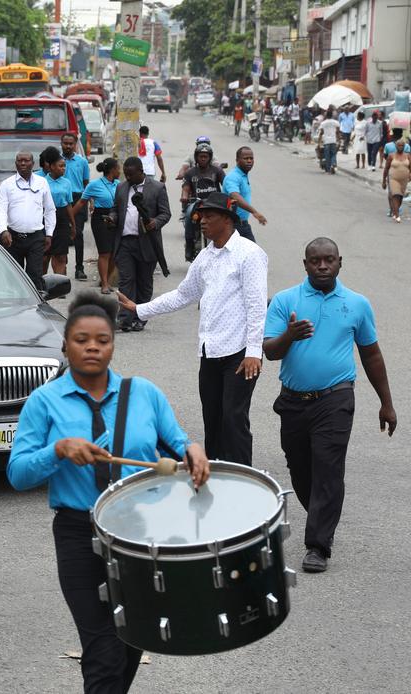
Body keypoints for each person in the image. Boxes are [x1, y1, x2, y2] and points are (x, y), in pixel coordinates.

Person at [8, 291, 210, 694]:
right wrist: (59, 449)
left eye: (102, 339)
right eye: (82, 339)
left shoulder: (144, 394)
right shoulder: (44, 402)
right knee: (102, 647)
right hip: (78, 535)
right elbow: (17, 473)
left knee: (131, 640)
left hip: (140, 536)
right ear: (65, 343)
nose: (92, 347)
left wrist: (194, 450)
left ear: (114, 344)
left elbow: (177, 442)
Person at [263, 237, 395, 573]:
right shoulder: (285, 300)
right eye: (315, 261)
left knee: (328, 468)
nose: (323, 266)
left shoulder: (357, 304)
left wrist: (386, 403)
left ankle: (318, 545)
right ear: (305, 264)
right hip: (293, 401)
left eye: (329, 260)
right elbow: (271, 351)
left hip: (336, 398)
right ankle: (322, 515)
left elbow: (371, 354)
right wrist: (289, 335)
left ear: (340, 262)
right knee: (301, 469)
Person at [118, 191, 267, 467]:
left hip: (240, 353)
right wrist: (139, 309)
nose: (201, 221)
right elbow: (182, 295)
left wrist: (254, 352)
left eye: (209, 216)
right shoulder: (206, 256)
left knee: (234, 420)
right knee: (212, 420)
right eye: (200, 215)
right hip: (210, 351)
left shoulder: (250, 255)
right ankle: (214, 479)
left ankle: (243, 484)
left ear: (227, 219)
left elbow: (257, 307)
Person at [108, 156, 170, 332]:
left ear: (141, 171)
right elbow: (115, 209)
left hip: (147, 243)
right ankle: (124, 319)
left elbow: (165, 213)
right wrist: (112, 218)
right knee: (126, 280)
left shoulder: (157, 188)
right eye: (125, 174)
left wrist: (155, 223)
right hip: (125, 242)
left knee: (144, 282)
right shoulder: (121, 187)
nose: (127, 178)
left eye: (130, 175)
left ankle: (140, 317)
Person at [0, 151, 56, 292]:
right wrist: (3, 230)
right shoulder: (7, 184)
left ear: (33, 164)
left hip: (36, 238)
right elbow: (0, 209)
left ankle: (36, 307)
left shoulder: (42, 183)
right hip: (13, 238)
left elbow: (50, 210)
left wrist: (49, 234)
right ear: (15, 163)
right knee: (14, 276)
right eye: (19, 161)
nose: (23, 163)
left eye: (26, 161)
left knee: (35, 275)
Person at [72, 157, 119, 294]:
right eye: (117, 168)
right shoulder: (94, 185)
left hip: (116, 217)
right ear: (111, 170)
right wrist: (71, 219)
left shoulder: (118, 184)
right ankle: (104, 283)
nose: (119, 171)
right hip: (101, 218)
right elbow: (81, 202)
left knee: (114, 253)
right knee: (104, 252)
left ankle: (108, 280)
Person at [180, 142, 226, 261]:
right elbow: (185, 188)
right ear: (196, 157)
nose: (203, 158)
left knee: (227, 219)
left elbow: (226, 185)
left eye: (206, 156)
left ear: (210, 157)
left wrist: (229, 195)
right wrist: (184, 196)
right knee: (189, 216)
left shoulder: (217, 171)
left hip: (215, 203)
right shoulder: (191, 173)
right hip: (197, 203)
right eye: (201, 156)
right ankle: (189, 246)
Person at [38, 147, 74, 277]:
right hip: (44, 217)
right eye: (61, 166)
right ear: (51, 166)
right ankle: (41, 284)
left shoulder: (67, 183)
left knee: (60, 256)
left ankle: (59, 285)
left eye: (65, 166)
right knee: (44, 256)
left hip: (61, 219)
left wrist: (73, 225)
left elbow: (68, 204)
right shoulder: (41, 182)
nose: (63, 169)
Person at [61, 132, 91, 281]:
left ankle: (79, 268)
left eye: (70, 144)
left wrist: (89, 201)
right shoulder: (57, 161)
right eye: (65, 143)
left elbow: (86, 183)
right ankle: (61, 268)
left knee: (78, 234)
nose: (68, 146)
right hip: (60, 199)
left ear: (75, 145)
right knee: (61, 235)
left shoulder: (82, 162)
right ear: (61, 144)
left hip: (78, 199)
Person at [222, 147, 267, 242]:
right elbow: (235, 195)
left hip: (242, 224)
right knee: (252, 254)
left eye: (251, 158)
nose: (249, 161)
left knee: (252, 254)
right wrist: (254, 212)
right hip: (233, 226)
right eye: (246, 158)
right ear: (237, 160)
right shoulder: (233, 176)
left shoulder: (242, 174)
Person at [381, 139, 409, 223]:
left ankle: (394, 211)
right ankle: (397, 215)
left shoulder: (408, 156)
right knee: (395, 195)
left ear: (404, 147)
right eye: (399, 145)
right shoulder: (391, 156)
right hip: (393, 178)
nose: (400, 147)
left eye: (402, 146)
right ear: (395, 146)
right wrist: (384, 180)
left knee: (400, 197)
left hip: (404, 179)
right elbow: (386, 169)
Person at [317, 109, 341, 175]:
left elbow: (321, 133)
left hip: (326, 141)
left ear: (326, 115)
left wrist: (318, 142)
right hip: (333, 140)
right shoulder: (336, 122)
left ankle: (328, 170)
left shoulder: (323, 123)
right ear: (332, 115)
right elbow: (338, 132)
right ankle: (333, 164)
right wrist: (339, 140)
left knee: (327, 156)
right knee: (333, 154)